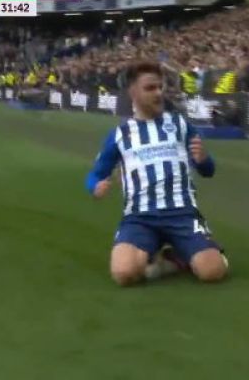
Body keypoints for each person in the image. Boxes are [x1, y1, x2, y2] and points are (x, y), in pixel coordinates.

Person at [85, 61, 228, 286]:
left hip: (183, 214)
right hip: (139, 218)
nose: (158, 93)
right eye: (150, 88)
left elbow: (208, 171)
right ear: (133, 92)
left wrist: (203, 160)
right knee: (124, 274)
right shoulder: (119, 135)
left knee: (213, 272)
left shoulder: (180, 125)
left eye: (160, 87)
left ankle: (178, 256)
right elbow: (94, 175)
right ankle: (159, 253)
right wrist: (95, 187)